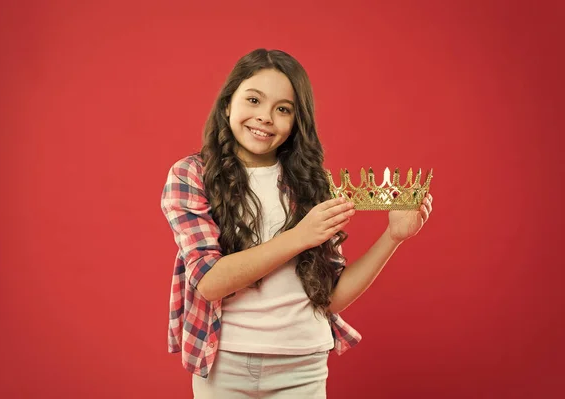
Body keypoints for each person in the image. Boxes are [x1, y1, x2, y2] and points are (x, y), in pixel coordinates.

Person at [161, 48, 433, 398]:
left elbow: (330, 298)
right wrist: (299, 236)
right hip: (223, 364)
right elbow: (209, 282)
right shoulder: (191, 175)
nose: (265, 117)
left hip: (304, 365)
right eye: (254, 100)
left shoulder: (309, 183)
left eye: (283, 109)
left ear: (295, 123)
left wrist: (393, 237)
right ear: (228, 104)